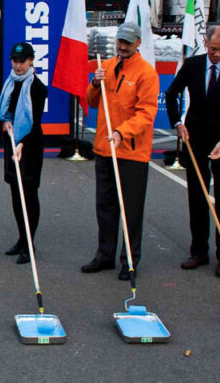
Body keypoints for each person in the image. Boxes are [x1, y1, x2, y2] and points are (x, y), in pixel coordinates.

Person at [164, 25, 220, 278]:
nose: (217, 54)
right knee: (197, 196)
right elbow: (171, 94)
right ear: (205, 42)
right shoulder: (192, 65)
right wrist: (178, 124)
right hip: (196, 138)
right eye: (213, 49)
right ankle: (198, 251)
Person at [81, 22, 158, 281]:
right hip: (104, 148)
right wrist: (94, 81)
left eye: (127, 42)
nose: (122, 47)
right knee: (105, 206)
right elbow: (92, 101)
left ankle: (130, 260)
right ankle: (105, 255)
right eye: (120, 42)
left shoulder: (147, 73)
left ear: (138, 43)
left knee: (131, 209)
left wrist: (122, 132)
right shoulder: (108, 66)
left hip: (131, 153)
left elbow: (147, 113)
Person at [0, 42, 48, 265]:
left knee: (28, 194)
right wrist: (6, 122)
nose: (18, 66)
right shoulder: (10, 82)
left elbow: (33, 122)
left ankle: (29, 243)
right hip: (12, 142)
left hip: (30, 145)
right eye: (15, 61)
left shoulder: (37, 88)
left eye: (22, 61)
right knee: (16, 194)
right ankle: (21, 238)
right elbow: (5, 111)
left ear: (31, 61)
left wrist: (22, 143)